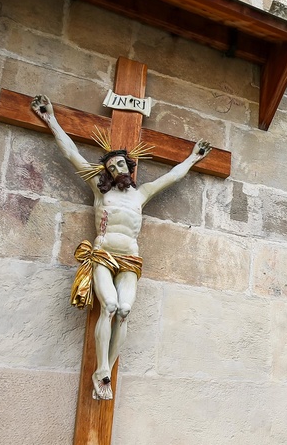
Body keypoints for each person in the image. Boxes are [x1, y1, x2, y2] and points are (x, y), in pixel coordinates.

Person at [31, 95, 211, 399]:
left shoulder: (142, 194)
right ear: (108, 172)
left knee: (125, 311)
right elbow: (72, 153)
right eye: (111, 167)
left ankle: (105, 373)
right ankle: (101, 369)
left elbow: (172, 176)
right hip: (103, 255)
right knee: (110, 306)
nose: (116, 169)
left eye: (120, 164)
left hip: (129, 258)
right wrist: (51, 119)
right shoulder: (101, 193)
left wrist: (193, 158)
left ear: (129, 165)